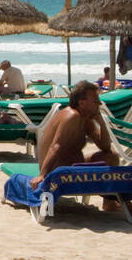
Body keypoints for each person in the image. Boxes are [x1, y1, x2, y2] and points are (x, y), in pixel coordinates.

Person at [32, 82, 121, 210]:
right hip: (57, 170)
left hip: (74, 167)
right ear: (82, 102)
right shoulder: (72, 116)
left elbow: (105, 147)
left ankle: (110, 203)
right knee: (110, 159)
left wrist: (101, 121)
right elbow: (55, 146)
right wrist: (42, 175)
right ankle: (124, 204)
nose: (100, 103)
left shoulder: (86, 119)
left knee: (112, 157)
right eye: (95, 100)